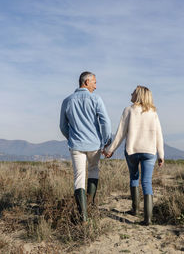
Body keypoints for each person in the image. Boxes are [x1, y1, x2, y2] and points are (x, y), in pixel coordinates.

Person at [104, 85, 164, 225]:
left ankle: (135, 209)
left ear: (138, 95)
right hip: (150, 152)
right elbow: (158, 135)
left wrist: (110, 150)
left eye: (133, 92)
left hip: (132, 151)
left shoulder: (128, 110)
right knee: (147, 182)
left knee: (134, 178)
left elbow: (120, 134)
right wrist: (161, 154)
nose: (131, 93)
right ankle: (147, 219)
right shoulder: (153, 113)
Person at [60, 71, 112, 222]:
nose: (96, 86)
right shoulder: (96, 99)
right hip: (94, 144)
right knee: (94, 170)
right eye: (94, 82)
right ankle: (91, 205)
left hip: (76, 145)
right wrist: (106, 140)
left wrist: (71, 137)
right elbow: (105, 122)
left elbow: (63, 126)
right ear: (86, 82)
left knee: (79, 177)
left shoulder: (67, 101)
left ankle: (83, 216)